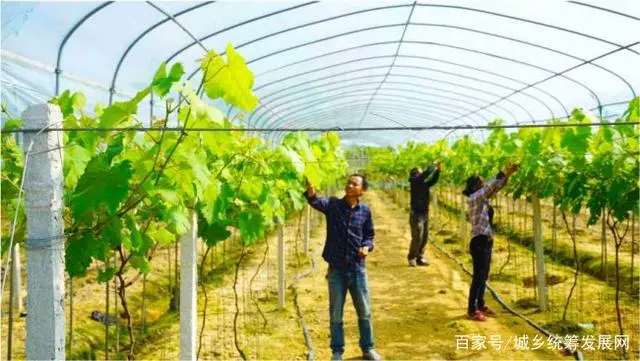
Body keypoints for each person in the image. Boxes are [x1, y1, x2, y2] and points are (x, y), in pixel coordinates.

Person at [304, 174, 382, 361]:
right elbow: (315, 202)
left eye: (354, 184)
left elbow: (369, 235)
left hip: (357, 269)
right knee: (336, 313)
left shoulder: (365, 211)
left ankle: (367, 348)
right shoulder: (333, 206)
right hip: (336, 270)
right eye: (348, 182)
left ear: (362, 191)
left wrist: (366, 246)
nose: (349, 185)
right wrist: (311, 191)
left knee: (364, 312)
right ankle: (337, 352)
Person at [462, 164, 519, 321]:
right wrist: (503, 172)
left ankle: (481, 304)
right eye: (481, 183)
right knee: (478, 276)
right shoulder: (474, 199)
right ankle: (472, 309)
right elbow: (489, 188)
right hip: (479, 242)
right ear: (474, 187)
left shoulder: (482, 199)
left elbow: (495, 188)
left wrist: (508, 175)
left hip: (486, 242)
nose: (484, 184)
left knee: (484, 275)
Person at [407, 162, 441, 267]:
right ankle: (412, 257)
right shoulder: (415, 182)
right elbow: (425, 175)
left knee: (425, 237)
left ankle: (419, 257)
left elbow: (433, 180)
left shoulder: (423, 184)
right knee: (418, 236)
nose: (422, 174)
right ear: (416, 174)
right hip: (416, 214)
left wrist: (438, 171)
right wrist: (433, 165)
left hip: (424, 214)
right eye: (420, 172)